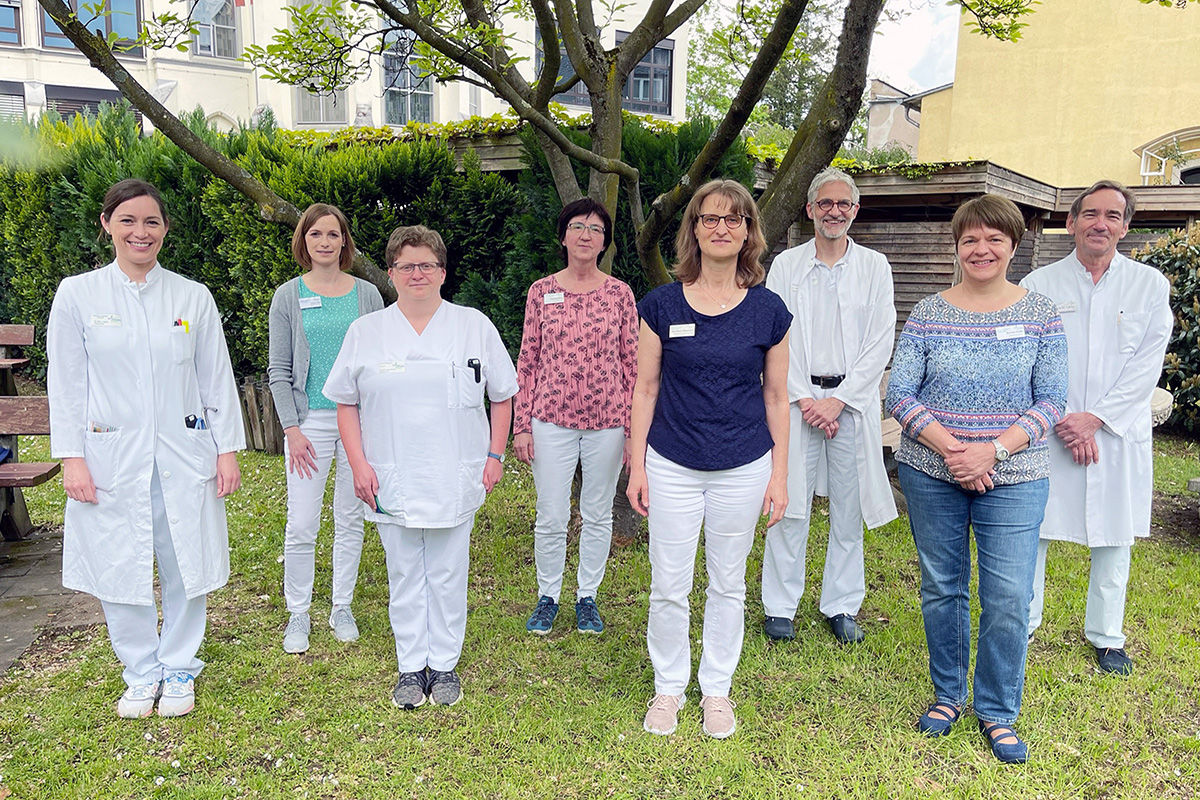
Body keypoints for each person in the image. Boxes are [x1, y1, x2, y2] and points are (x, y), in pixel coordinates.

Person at [47, 178, 244, 719]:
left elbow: (216, 378)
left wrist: (226, 449)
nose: (141, 231)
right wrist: (72, 456)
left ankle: (179, 664)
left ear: (164, 230)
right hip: (110, 456)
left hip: (184, 453)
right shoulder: (78, 295)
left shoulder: (190, 296)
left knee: (186, 557)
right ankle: (139, 670)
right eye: (129, 220)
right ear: (106, 224)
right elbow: (66, 383)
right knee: (120, 560)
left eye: (152, 222)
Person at [886, 194, 1067, 764]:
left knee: (1009, 595)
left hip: (1015, 474)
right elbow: (899, 393)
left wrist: (991, 452)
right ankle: (947, 695)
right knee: (943, 586)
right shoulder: (928, 313)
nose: (981, 249)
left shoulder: (1041, 313)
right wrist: (953, 451)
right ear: (957, 248)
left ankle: (996, 709)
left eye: (994, 239)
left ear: (1014, 245)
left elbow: (1052, 400)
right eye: (970, 240)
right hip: (931, 471)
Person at [323, 225, 517, 710]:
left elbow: (503, 395)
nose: (417, 274)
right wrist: (360, 465)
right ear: (390, 273)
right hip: (391, 473)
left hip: (457, 469)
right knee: (405, 571)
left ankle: (445, 665)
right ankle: (412, 665)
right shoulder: (366, 332)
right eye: (407, 266)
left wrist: (495, 455)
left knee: (450, 570)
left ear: (443, 272)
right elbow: (345, 403)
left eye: (426, 265)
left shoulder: (473, 325)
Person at [628, 179, 791, 740]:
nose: (721, 228)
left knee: (727, 584)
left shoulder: (769, 311)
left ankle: (716, 689)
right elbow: (644, 389)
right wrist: (637, 464)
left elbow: (775, 397)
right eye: (709, 218)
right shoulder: (660, 304)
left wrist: (780, 476)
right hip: (672, 462)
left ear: (748, 231)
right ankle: (669, 687)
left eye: (734, 219)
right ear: (693, 229)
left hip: (744, 465)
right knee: (669, 584)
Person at [1020, 181, 1173, 676]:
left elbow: (1146, 366)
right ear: (1071, 222)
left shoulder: (1149, 286)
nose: (1100, 224)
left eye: (1112, 215)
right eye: (1090, 214)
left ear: (1125, 226)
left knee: (1114, 534)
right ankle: (1022, 622)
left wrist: (1097, 420)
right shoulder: (1041, 284)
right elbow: (1033, 358)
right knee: (1032, 528)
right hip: (1052, 429)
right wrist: (1066, 418)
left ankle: (1107, 636)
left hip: (1113, 433)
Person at [761, 166, 898, 645]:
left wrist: (839, 400)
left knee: (848, 507)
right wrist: (804, 396)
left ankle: (841, 605)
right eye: (825, 204)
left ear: (855, 211)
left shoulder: (875, 267)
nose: (834, 211)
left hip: (852, 405)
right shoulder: (786, 266)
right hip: (795, 401)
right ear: (810, 210)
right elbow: (773, 336)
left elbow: (881, 340)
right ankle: (780, 607)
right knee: (789, 504)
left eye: (843, 204)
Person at [514, 198, 638, 636]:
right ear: (563, 235)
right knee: (550, 513)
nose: (587, 235)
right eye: (578, 227)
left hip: (608, 421)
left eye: (596, 229)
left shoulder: (620, 294)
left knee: (598, 511)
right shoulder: (540, 291)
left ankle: (588, 597)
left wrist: (632, 432)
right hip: (550, 419)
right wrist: (522, 425)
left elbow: (632, 364)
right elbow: (527, 360)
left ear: (605, 241)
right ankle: (548, 595)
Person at [268, 203, 385, 654]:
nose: (324, 242)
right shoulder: (288, 296)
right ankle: (298, 612)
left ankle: (341, 606)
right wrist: (291, 428)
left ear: (344, 241)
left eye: (333, 234)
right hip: (309, 422)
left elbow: (378, 365)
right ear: (304, 241)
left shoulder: (367, 296)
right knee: (301, 522)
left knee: (351, 516)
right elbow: (279, 369)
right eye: (315, 234)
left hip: (357, 421)